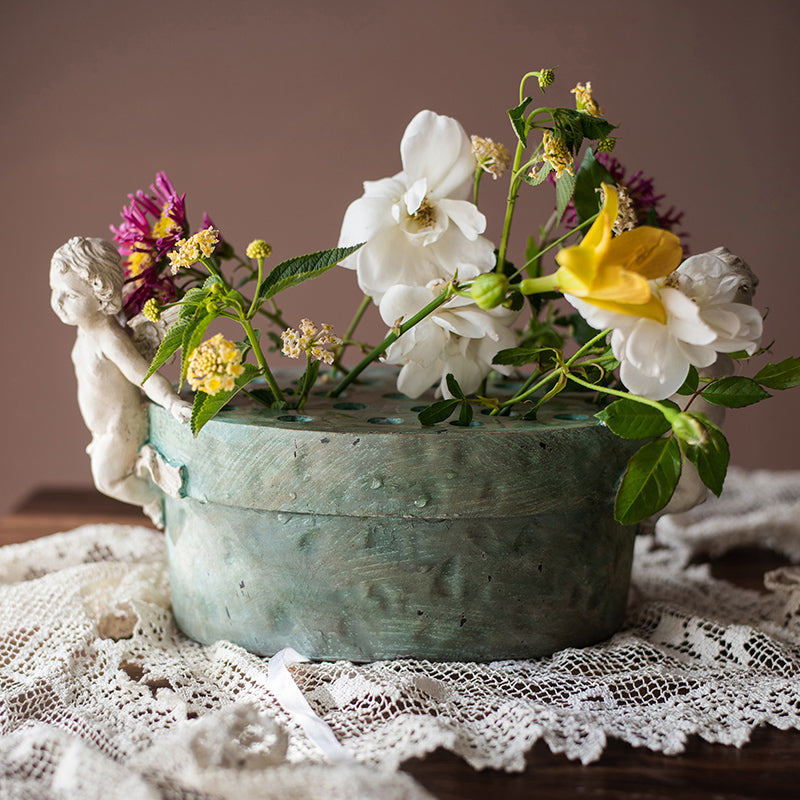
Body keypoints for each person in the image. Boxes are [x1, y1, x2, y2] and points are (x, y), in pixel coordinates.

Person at [50, 236, 191, 526]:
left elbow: (143, 376)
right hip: (105, 430)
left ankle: (158, 499)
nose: (58, 302)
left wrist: (170, 402)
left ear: (103, 299)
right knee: (108, 477)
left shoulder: (110, 339)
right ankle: (157, 496)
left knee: (107, 480)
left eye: (70, 296)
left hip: (122, 426)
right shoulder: (86, 329)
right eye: (54, 290)